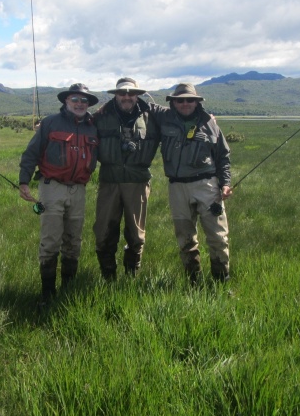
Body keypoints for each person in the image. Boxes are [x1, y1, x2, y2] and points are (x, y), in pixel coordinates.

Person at [18, 83, 100, 302]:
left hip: (79, 190)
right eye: (75, 99)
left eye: (84, 101)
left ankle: (68, 289)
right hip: (51, 188)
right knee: (50, 240)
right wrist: (23, 182)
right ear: (66, 101)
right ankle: (47, 293)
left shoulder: (93, 127)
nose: (80, 104)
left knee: (74, 241)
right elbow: (31, 153)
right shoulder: (50, 123)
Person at [154, 83, 233, 284]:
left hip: (207, 186)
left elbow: (223, 156)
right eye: (180, 100)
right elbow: (141, 104)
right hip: (177, 187)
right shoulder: (164, 119)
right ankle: (194, 283)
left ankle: (221, 281)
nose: (185, 103)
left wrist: (225, 183)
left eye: (190, 99)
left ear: (197, 102)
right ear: (173, 102)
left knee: (218, 238)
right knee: (185, 239)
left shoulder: (210, 123)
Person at [92, 77, 161, 280]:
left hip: (138, 183)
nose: (127, 97)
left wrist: (206, 118)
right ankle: (108, 276)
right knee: (104, 231)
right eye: (122, 93)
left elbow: (181, 119)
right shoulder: (100, 116)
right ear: (115, 95)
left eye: (131, 93)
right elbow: (76, 126)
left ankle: (131, 275)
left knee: (136, 235)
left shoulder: (153, 117)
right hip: (109, 182)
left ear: (138, 94)